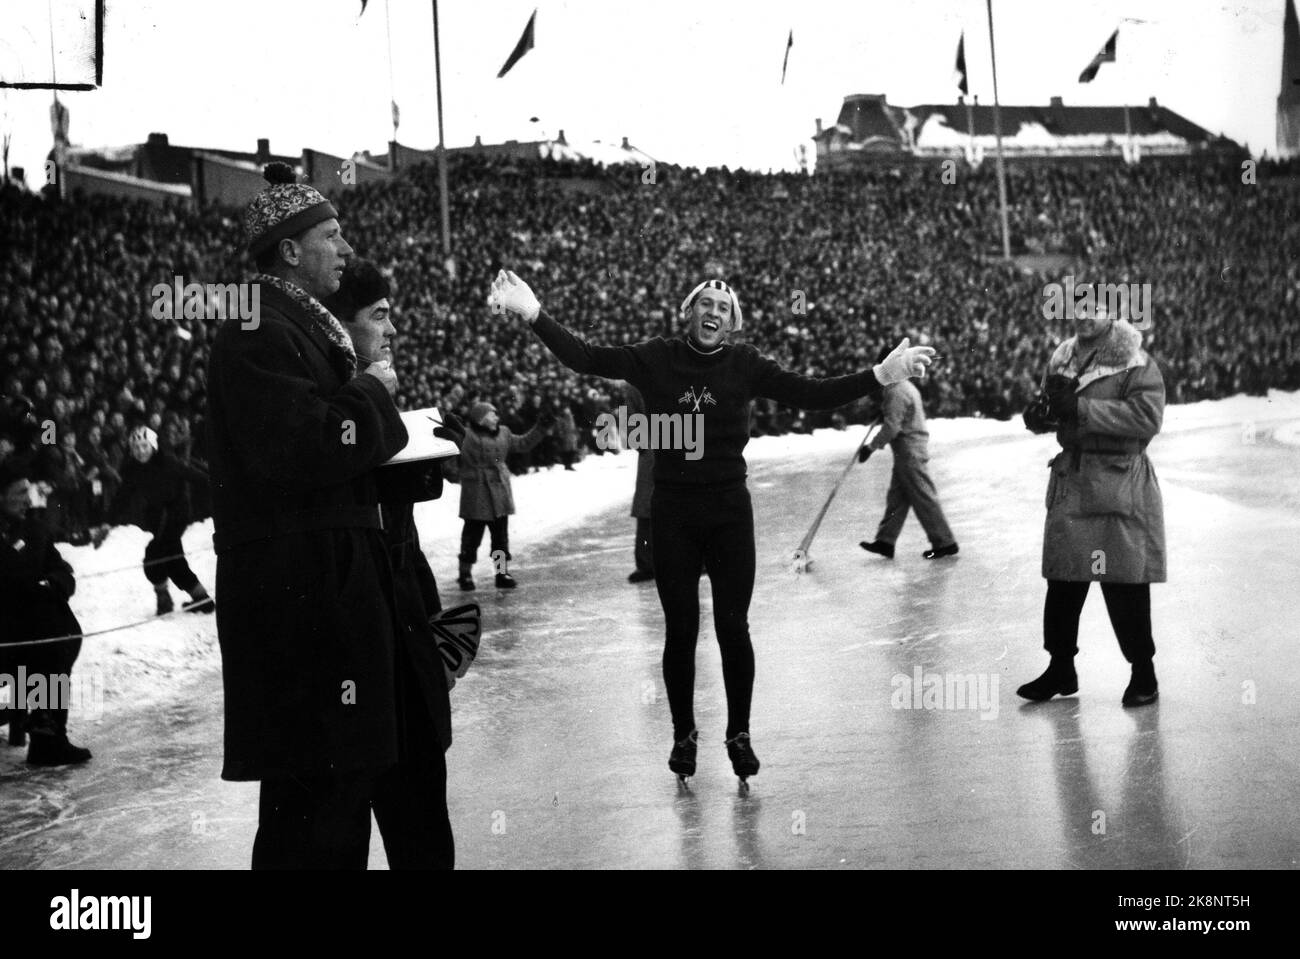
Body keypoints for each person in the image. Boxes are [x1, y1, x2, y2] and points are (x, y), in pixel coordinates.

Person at [490, 270, 934, 783]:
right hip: (674, 512)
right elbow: (586, 357)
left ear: (732, 322)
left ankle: (739, 734)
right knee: (680, 632)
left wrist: (879, 375)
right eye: (706, 303)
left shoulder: (745, 364)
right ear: (690, 311)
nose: (714, 313)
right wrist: (536, 315)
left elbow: (811, 393)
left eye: (724, 309)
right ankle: (684, 735)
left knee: (732, 627)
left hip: (728, 512)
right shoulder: (656, 356)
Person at [206, 163, 410, 869]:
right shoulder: (255, 325)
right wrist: (372, 393)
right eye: (332, 234)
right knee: (318, 803)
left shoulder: (294, 324)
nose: (346, 249)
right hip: (302, 599)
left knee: (328, 796)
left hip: (319, 587)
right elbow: (309, 446)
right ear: (290, 250)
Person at [324, 259, 458, 868]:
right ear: (340, 327)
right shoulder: (324, 410)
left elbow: (400, 540)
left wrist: (431, 633)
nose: (393, 329)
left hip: (404, 652)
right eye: (378, 316)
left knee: (424, 831)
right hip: (350, 662)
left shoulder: (375, 398)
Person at [1018, 303, 1166, 707]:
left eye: (1095, 309)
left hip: (1118, 482)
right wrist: (1040, 416)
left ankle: (1143, 673)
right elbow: (1056, 413)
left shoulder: (1136, 362)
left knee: (1124, 583)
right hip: (1074, 480)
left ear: (1113, 314)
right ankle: (1060, 668)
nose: (1085, 317)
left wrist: (1080, 408)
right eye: (1078, 308)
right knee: (1063, 581)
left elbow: (1146, 418)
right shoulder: (1063, 357)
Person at [0, 461, 93, 765]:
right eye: (19, 493)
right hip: (7, 637)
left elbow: (60, 567)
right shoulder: (17, 532)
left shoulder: (28, 526)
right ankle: (47, 737)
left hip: (26, 633)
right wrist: (36, 587)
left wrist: (56, 583)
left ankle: (47, 735)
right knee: (50, 636)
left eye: (29, 491)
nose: (28, 499)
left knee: (54, 631)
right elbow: (16, 577)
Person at [94, 425, 214, 614]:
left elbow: (195, 475)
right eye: (136, 448)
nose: (141, 451)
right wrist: (107, 522)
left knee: (155, 554)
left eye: (144, 446)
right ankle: (201, 599)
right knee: (173, 559)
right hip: (157, 517)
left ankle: (164, 597)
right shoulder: (133, 469)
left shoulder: (168, 461)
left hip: (176, 514)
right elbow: (122, 497)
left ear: (153, 446)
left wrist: (221, 487)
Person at [859, 346, 958, 560]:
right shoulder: (901, 387)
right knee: (897, 497)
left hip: (909, 450)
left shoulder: (896, 391)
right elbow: (896, 416)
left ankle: (945, 542)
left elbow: (892, 427)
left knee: (923, 496)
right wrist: (883, 409)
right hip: (909, 449)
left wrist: (871, 447)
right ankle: (886, 541)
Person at [447, 400, 548, 591]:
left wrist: (541, 427)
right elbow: (452, 450)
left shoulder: (504, 433)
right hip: (477, 492)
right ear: (481, 418)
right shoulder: (467, 436)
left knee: (500, 539)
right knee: (471, 538)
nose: (496, 417)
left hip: (499, 493)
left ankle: (501, 573)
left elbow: (524, 443)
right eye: (492, 414)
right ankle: (465, 574)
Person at [624, 384, 655, 583]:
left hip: (680, 440)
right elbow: (631, 416)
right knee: (646, 505)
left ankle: (698, 558)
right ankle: (646, 563)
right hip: (655, 446)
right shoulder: (634, 383)